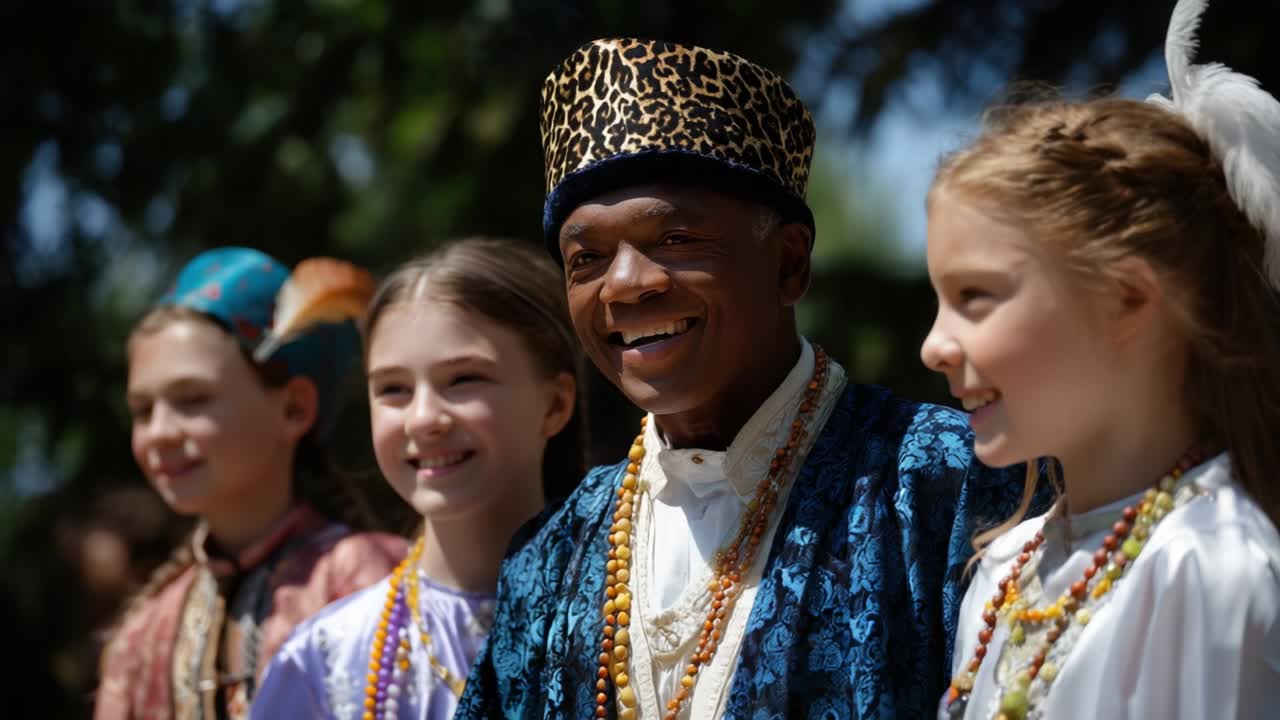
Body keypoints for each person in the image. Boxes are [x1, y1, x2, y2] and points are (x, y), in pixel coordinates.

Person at [455, 38, 1030, 720]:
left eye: (675, 240)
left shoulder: (956, 482)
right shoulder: (552, 555)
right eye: (587, 258)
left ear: (789, 264)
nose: (626, 285)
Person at [922, 2, 1280, 718]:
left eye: (977, 297)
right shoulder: (1003, 571)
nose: (934, 345)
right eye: (939, 299)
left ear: (1126, 299)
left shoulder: (1210, 569)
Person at [250, 237, 586, 720]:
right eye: (393, 389)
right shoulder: (324, 662)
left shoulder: (629, 619)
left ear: (554, 405)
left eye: (465, 379)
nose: (424, 418)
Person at [95, 247, 407, 720]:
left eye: (193, 398)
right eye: (142, 410)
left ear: (293, 409)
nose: (160, 431)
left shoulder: (368, 579)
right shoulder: (140, 640)